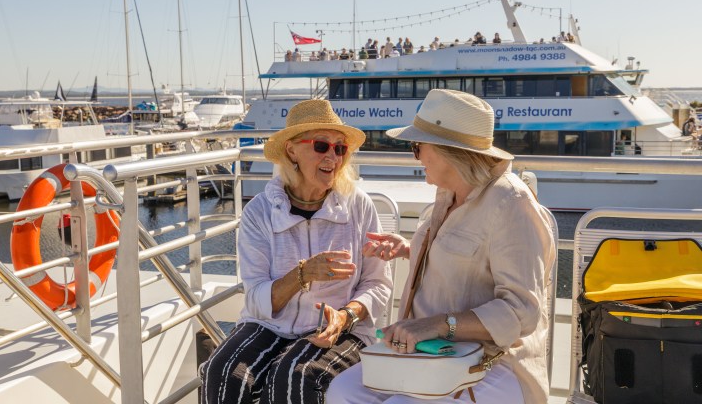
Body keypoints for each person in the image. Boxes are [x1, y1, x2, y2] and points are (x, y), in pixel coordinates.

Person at [327, 89, 556, 404]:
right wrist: (410, 248)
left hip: (492, 363)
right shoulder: (449, 195)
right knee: (341, 391)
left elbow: (522, 311)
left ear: (450, 151)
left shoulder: (511, 205)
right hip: (433, 355)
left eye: (417, 147)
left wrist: (436, 325)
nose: (416, 157)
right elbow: (466, 259)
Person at [200, 99, 392, 404]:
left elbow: (378, 285)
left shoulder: (358, 206)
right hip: (269, 324)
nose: (333, 156)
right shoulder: (260, 212)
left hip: (339, 329)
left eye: (340, 149)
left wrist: (345, 317)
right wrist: (302, 275)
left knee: (295, 376)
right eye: (321, 146)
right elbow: (255, 297)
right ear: (292, 151)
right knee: (222, 372)